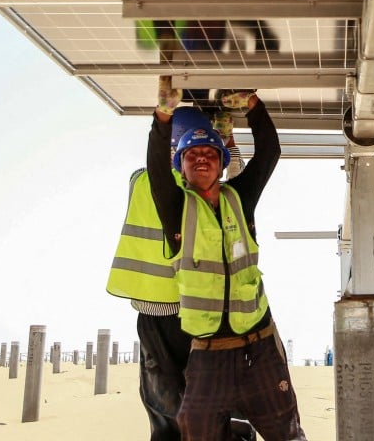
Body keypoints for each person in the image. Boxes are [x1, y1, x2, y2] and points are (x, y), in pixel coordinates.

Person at [147, 78, 307, 441]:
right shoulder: (176, 210)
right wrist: (162, 117)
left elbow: (269, 152)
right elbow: (157, 171)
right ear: (182, 168)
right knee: (196, 430)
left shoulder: (241, 198)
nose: (201, 159)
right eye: (191, 156)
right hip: (207, 356)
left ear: (221, 164)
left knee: (288, 432)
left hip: (259, 349)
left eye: (209, 154)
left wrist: (252, 103)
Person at [107, 105, 255, 441]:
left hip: (151, 309)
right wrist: (226, 139)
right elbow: (233, 176)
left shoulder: (140, 180)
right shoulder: (191, 188)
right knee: (212, 397)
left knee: (162, 403)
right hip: (195, 308)